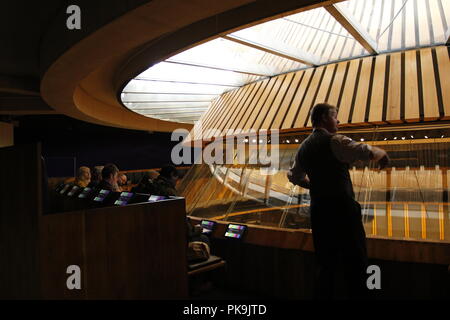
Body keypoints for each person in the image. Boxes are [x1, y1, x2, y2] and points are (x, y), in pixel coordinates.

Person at [287, 103, 389, 299]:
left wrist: (314, 185)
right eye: (335, 116)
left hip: (319, 212)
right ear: (325, 118)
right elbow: (363, 150)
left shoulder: (303, 147)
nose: (338, 121)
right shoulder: (335, 141)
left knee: (325, 263)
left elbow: (294, 176)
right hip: (343, 210)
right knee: (356, 261)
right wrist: (381, 154)